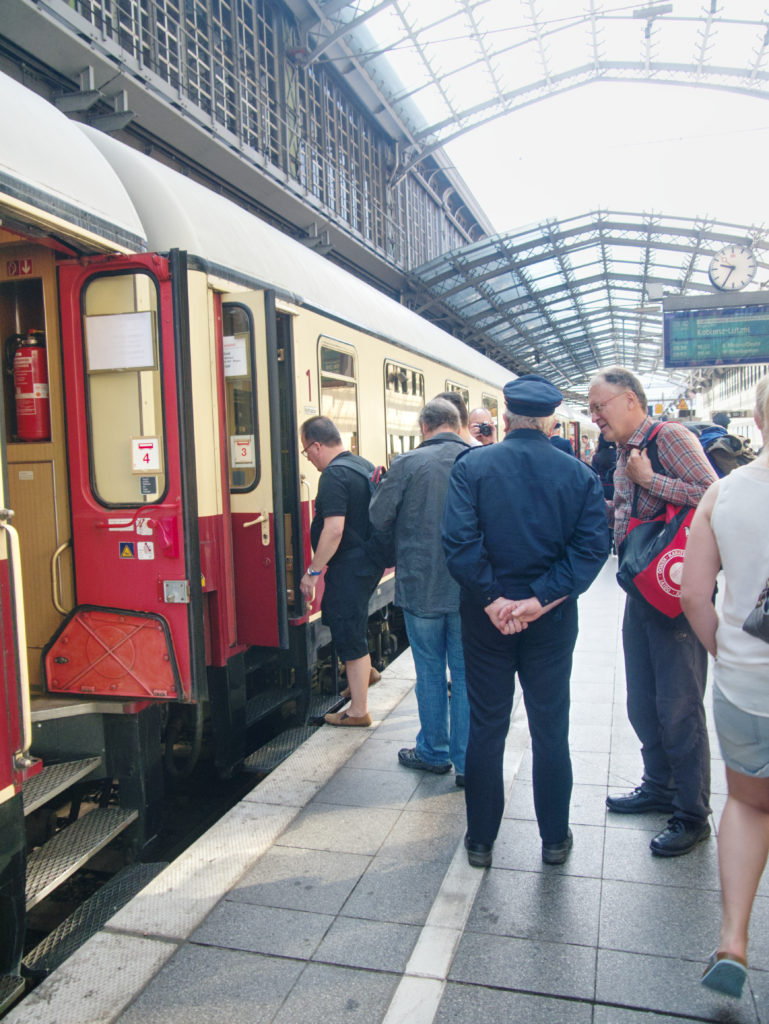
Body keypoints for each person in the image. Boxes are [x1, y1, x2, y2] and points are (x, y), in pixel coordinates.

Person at [442, 374, 609, 868]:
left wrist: (494, 600)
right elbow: (592, 548)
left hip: (485, 622)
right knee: (550, 728)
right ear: (551, 420)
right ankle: (554, 839)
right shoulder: (578, 476)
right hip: (551, 625)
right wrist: (541, 600)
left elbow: (459, 542)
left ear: (506, 417)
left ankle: (480, 840)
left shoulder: (472, 467)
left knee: (488, 726)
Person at [588, 366, 717, 856]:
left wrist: (653, 480)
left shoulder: (672, 437)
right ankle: (658, 784)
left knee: (679, 705)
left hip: (677, 593)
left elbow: (712, 496)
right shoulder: (622, 451)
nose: (594, 416)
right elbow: (631, 512)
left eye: (600, 406)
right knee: (643, 699)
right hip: (641, 589)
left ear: (630, 400)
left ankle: (691, 813)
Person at [681, 376, 769, 1000]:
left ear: (759, 420)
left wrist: (728, 652)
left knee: (748, 804)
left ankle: (733, 942)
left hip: (746, 686)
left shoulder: (723, 493)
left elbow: (692, 594)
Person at [369, 398, 470, 784]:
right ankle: (466, 762)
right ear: (458, 425)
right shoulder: (477, 460)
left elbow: (379, 518)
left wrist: (379, 487)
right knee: (463, 674)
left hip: (420, 585)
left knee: (429, 671)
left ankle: (433, 751)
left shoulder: (407, 464)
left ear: (423, 426)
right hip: (468, 589)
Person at [298, 416, 381, 727]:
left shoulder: (333, 476)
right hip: (367, 561)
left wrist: (313, 572)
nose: (309, 459)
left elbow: (333, 530)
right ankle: (364, 674)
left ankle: (358, 711)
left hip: (351, 563)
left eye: (307, 452)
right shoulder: (361, 464)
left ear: (317, 445)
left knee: (348, 627)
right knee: (343, 616)